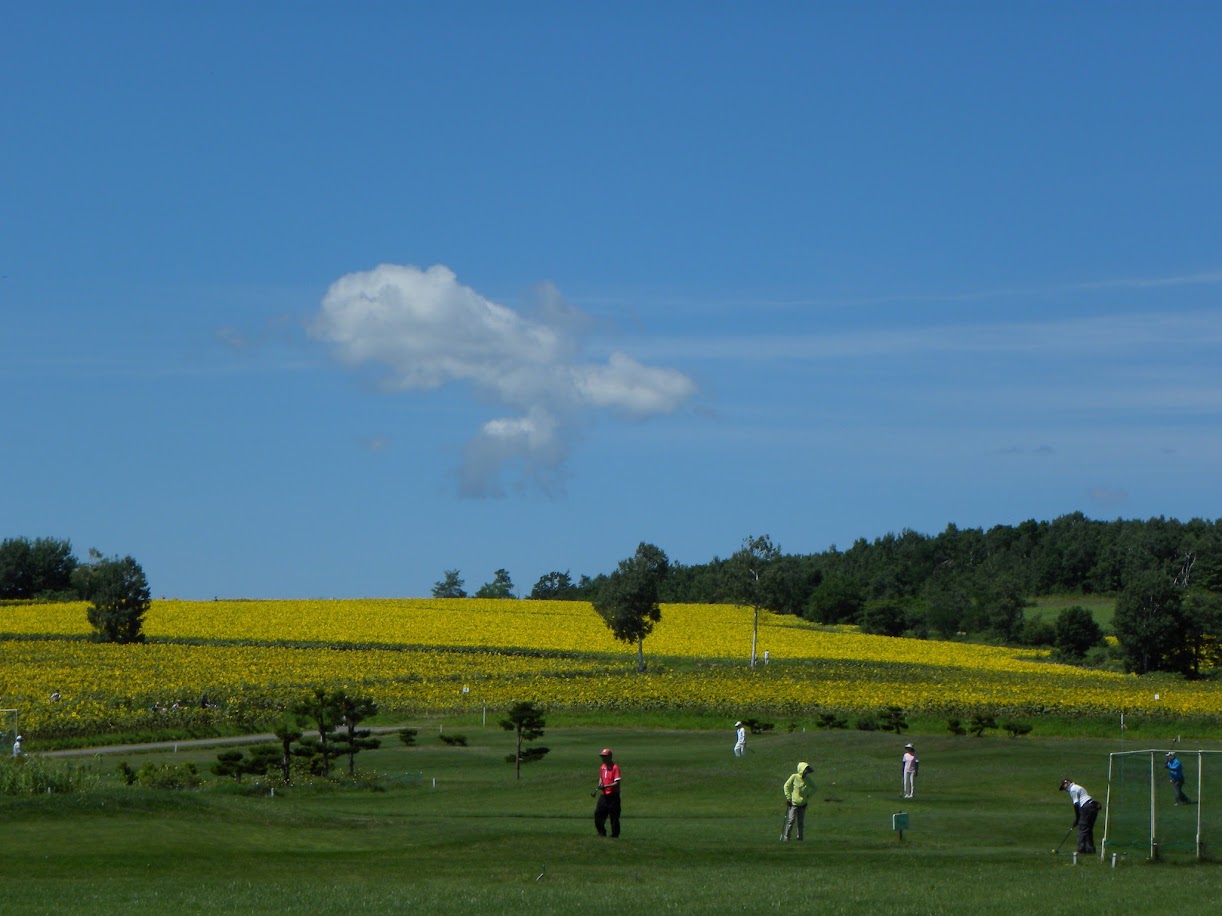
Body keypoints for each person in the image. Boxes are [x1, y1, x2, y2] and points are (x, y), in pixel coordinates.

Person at [1059, 778, 1100, 854]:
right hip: (1092, 807)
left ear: (1067, 783)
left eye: (1064, 787)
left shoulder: (1073, 789)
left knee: (1082, 828)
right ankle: (1090, 850)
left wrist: (1078, 818)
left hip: (1086, 807)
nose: (1065, 790)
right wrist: (1078, 818)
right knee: (1088, 829)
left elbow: (1076, 804)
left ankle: (1081, 850)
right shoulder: (1078, 787)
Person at [781, 761, 815, 841]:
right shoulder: (794, 776)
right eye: (805, 770)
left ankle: (800, 838)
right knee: (791, 821)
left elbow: (815, 787)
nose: (806, 773)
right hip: (794, 803)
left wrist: (808, 795)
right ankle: (786, 838)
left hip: (803, 804)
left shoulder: (807, 779)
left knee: (800, 823)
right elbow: (786, 786)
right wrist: (788, 797)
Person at [594, 747, 622, 838]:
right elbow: (601, 778)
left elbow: (617, 782)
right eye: (602, 756)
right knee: (598, 814)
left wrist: (606, 786)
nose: (603, 758)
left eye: (605, 756)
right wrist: (600, 784)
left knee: (614, 817)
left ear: (610, 757)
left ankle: (614, 835)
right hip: (604, 795)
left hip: (613, 796)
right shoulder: (602, 767)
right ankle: (601, 832)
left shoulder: (615, 767)